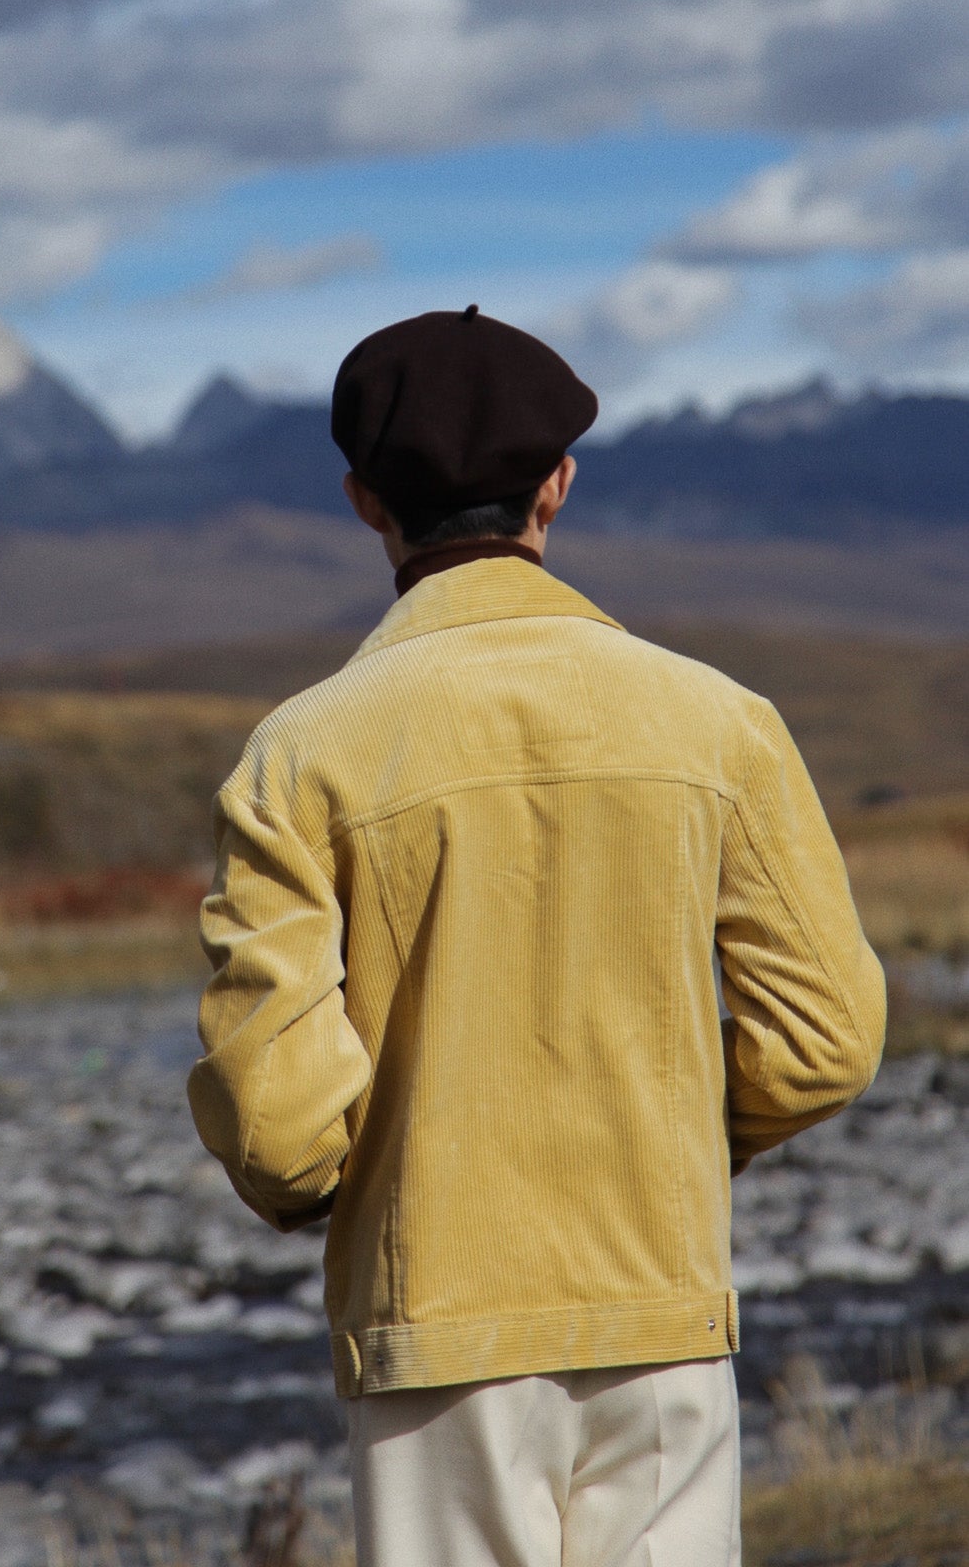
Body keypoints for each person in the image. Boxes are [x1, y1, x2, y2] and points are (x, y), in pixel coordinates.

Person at [187, 307, 885, 1567]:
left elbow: (280, 1128)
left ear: (361, 500)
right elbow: (826, 1040)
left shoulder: (300, 754)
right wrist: (663, 1130)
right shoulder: (722, 721)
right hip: (663, 1309)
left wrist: (396, 1179)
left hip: (434, 1334)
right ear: (557, 483)